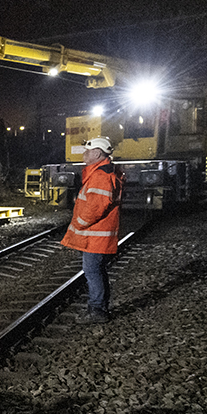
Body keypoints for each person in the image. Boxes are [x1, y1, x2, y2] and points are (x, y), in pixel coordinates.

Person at [60, 135, 125, 323]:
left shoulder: (100, 176)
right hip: (98, 234)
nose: (85, 154)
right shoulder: (103, 173)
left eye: (87, 150)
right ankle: (98, 307)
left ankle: (97, 310)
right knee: (96, 270)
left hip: (96, 235)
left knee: (92, 271)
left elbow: (96, 207)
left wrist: (79, 222)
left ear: (97, 153)